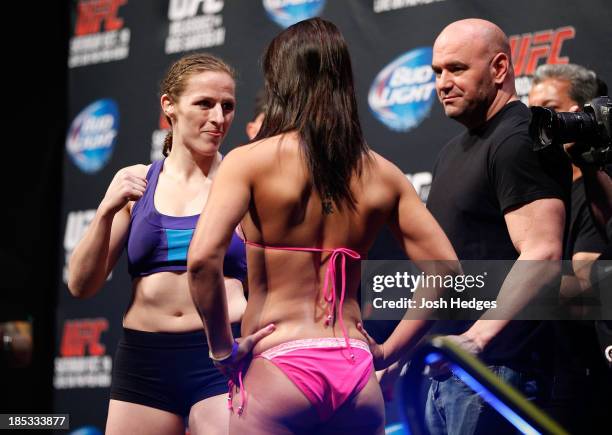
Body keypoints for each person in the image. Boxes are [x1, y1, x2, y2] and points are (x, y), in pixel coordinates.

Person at [187, 18, 459, 435]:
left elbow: (202, 260)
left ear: (282, 82)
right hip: (354, 371)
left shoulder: (249, 161)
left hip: (279, 366)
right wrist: (385, 353)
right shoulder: (383, 174)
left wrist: (222, 350)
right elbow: (447, 272)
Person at [68, 53, 256, 435]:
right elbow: (81, 286)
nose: (218, 118)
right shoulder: (136, 182)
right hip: (144, 361)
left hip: (220, 356)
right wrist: (106, 210)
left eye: (227, 105)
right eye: (204, 103)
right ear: (169, 105)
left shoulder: (243, 185)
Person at [425, 19, 571, 434]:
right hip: (451, 373)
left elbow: (542, 254)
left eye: (456, 69)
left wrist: (477, 338)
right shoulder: (455, 149)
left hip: (499, 373)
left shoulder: (517, 138)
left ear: (500, 68)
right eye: (437, 72)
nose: (443, 83)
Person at [528, 63, 611, 434]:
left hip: (586, 379)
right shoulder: (542, 195)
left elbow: (589, 290)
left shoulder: (593, 188)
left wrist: (493, 289)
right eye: (532, 113)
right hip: (546, 372)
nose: (542, 124)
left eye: (550, 110)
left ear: (585, 114)